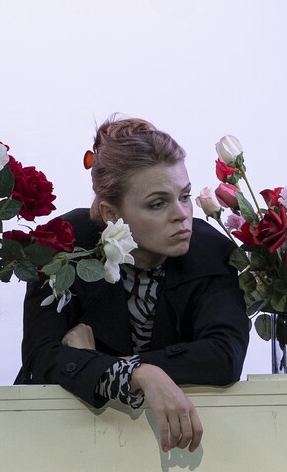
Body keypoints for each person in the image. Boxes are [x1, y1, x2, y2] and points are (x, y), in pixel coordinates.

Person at [16, 116, 248, 452]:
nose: (182, 215)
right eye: (158, 203)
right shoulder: (62, 243)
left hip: (165, 450)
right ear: (111, 213)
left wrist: (121, 366)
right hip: (56, 440)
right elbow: (42, 359)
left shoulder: (211, 250)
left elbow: (224, 355)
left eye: (184, 196)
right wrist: (142, 376)